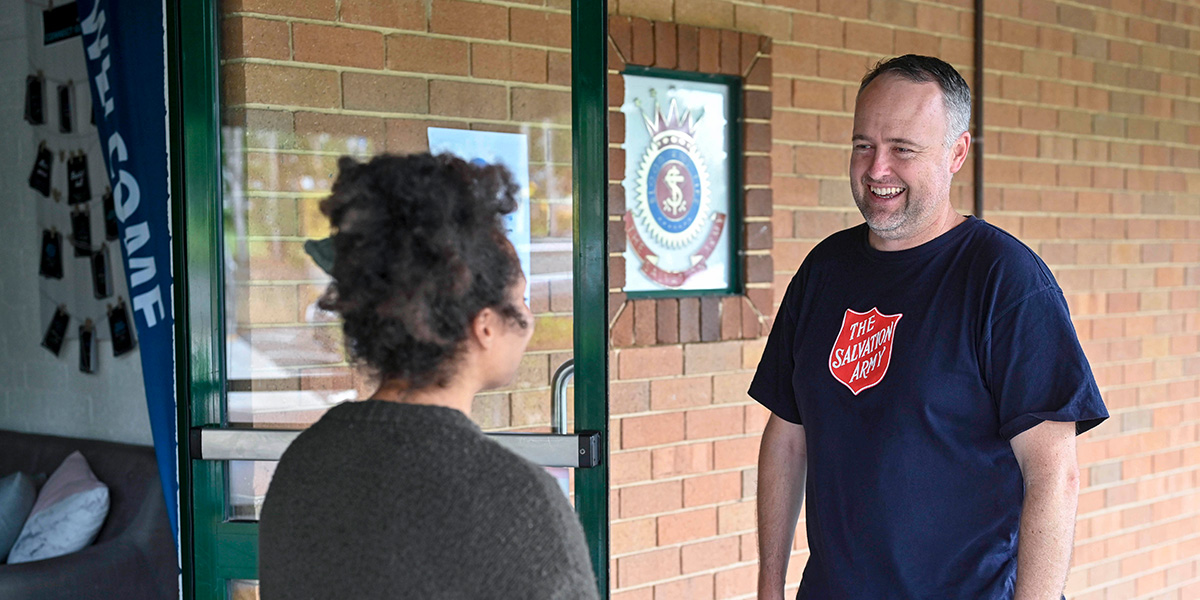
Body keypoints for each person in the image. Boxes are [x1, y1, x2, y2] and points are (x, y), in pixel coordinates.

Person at [751, 55, 1109, 600]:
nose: (877, 169)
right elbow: (787, 438)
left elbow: (1054, 476)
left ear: (957, 153)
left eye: (903, 149)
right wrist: (768, 587)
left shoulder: (1005, 282)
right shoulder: (823, 272)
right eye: (863, 145)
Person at [259, 153, 598, 600]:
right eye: (521, 300)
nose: (531, 320)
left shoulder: (306, 462)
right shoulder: (516, 503)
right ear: (485, 325)